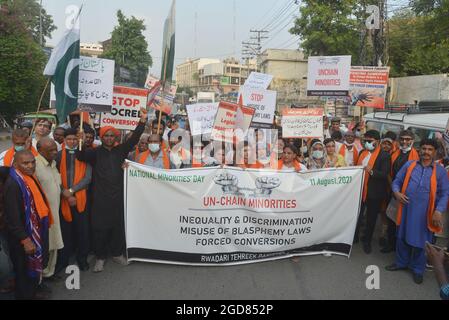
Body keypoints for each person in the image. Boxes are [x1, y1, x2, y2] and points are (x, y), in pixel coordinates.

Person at [76, 108, 148, 273]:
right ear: (101, 137)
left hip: (118, 197)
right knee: (100, 228)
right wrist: (81, 142)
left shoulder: (121, 150)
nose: (109, 138)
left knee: (117, 227)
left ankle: (116, 254)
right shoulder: (94, 153)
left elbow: (135, 137)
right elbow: (80, 156)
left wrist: (142, 121)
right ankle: (100, 257)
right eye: (106, 135)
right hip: (99, 198)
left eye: (112, 135)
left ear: (116, 137)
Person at [386, 139, 449, 284]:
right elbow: (397, 181)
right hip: (406, 208)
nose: (426, 152)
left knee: (422, 242)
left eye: (429, 149)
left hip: (425, 213)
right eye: (424, 149)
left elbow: (445, 193)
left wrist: (438, 211)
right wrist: (396, 193)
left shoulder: (439, 171)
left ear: (435, 152)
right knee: (401, 236)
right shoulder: (410, 165)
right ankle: (401, 263)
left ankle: (417, 269)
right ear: (419, 150)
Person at [3, 150, 52, 299]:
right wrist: (25, 240)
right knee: (23, 271)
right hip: (22, 238)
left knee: (29, 269)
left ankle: (33, 291)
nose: (30, 166)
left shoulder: (26, 178)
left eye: (33, 162)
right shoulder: (13, 184)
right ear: (16, 164)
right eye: (25, 163)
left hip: (31, 231)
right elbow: (12, 218)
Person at [55, 129, 92, 273]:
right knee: (65, 231)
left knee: (82, 231)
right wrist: (65, 193)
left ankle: (82, 259)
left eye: (74, 139)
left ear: (79, 139)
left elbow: (88, 178)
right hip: (63, 199)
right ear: (64, 140)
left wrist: (71, 192)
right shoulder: (58, 156)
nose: (72, 141)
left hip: (81, 199)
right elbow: (55, 177)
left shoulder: (85, 154)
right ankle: (63, 259)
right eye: (69, 139)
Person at [382, 130, 420, 253]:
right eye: (402, 139)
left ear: (412, 140)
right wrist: (393, 189)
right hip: (393, 192)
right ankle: (391, 244)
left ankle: (402, 248)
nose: (405, 141)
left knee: (404, 222)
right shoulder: (394, 154)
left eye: (408, 139)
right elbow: (389, 172)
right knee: (391, 219)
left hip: (407, 195)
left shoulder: (417, 156)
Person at [355, 130, 391, 254]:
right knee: (357, 216)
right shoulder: (362, 152)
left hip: (374, 193)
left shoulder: (384, 155)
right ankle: (354, 237)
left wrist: (371, 171)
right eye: (365, 141)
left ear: (378, 142)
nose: (367, 143)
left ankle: (367, 242)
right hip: (359, 190)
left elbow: (384, 174)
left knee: (371, 219)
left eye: (370, 141)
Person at [35, 137, 63, 279]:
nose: (54, 152)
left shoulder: (53, 163)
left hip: (55, 214)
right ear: (40, 151)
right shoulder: (35, 165)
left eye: (55, 149)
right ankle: (39, 279)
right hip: (43, 217)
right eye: (50, 150)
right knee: (44, 247)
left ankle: (48, 274)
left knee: (54, 245)